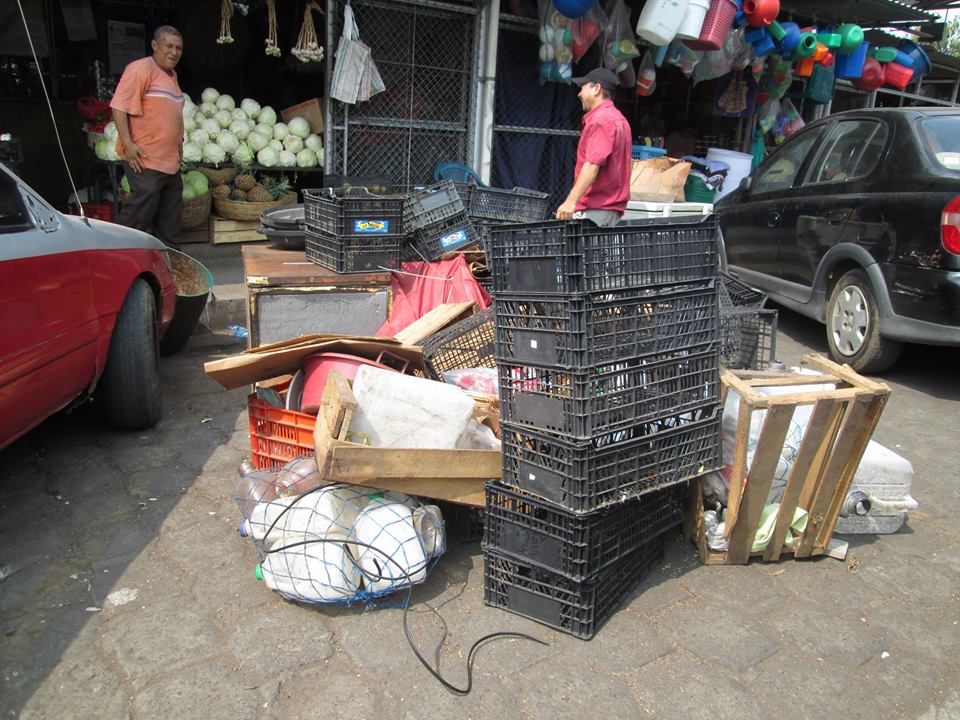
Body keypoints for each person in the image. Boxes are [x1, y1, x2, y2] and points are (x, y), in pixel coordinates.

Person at [110, 25, 185, 248]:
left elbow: (172, 115)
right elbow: (119, 107)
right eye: (169, 46)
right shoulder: (140, 69)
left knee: (169, 220)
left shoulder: (172, 76)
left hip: (170, 162)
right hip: (145, 157)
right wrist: (128, 143)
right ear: (155, 45)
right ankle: (117, 252)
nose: (174, 52)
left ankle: (171, 265)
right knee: (140, 210)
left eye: (179, 48)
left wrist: (179, 145)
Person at [556, 67, 631, 228]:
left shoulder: (601, 120)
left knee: (584, 253)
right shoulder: (619, 119)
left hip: (596, 210)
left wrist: (570, 202)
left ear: (596, 88)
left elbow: (592, 165)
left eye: (583, 87)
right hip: (609, 209)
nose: (579, 94)